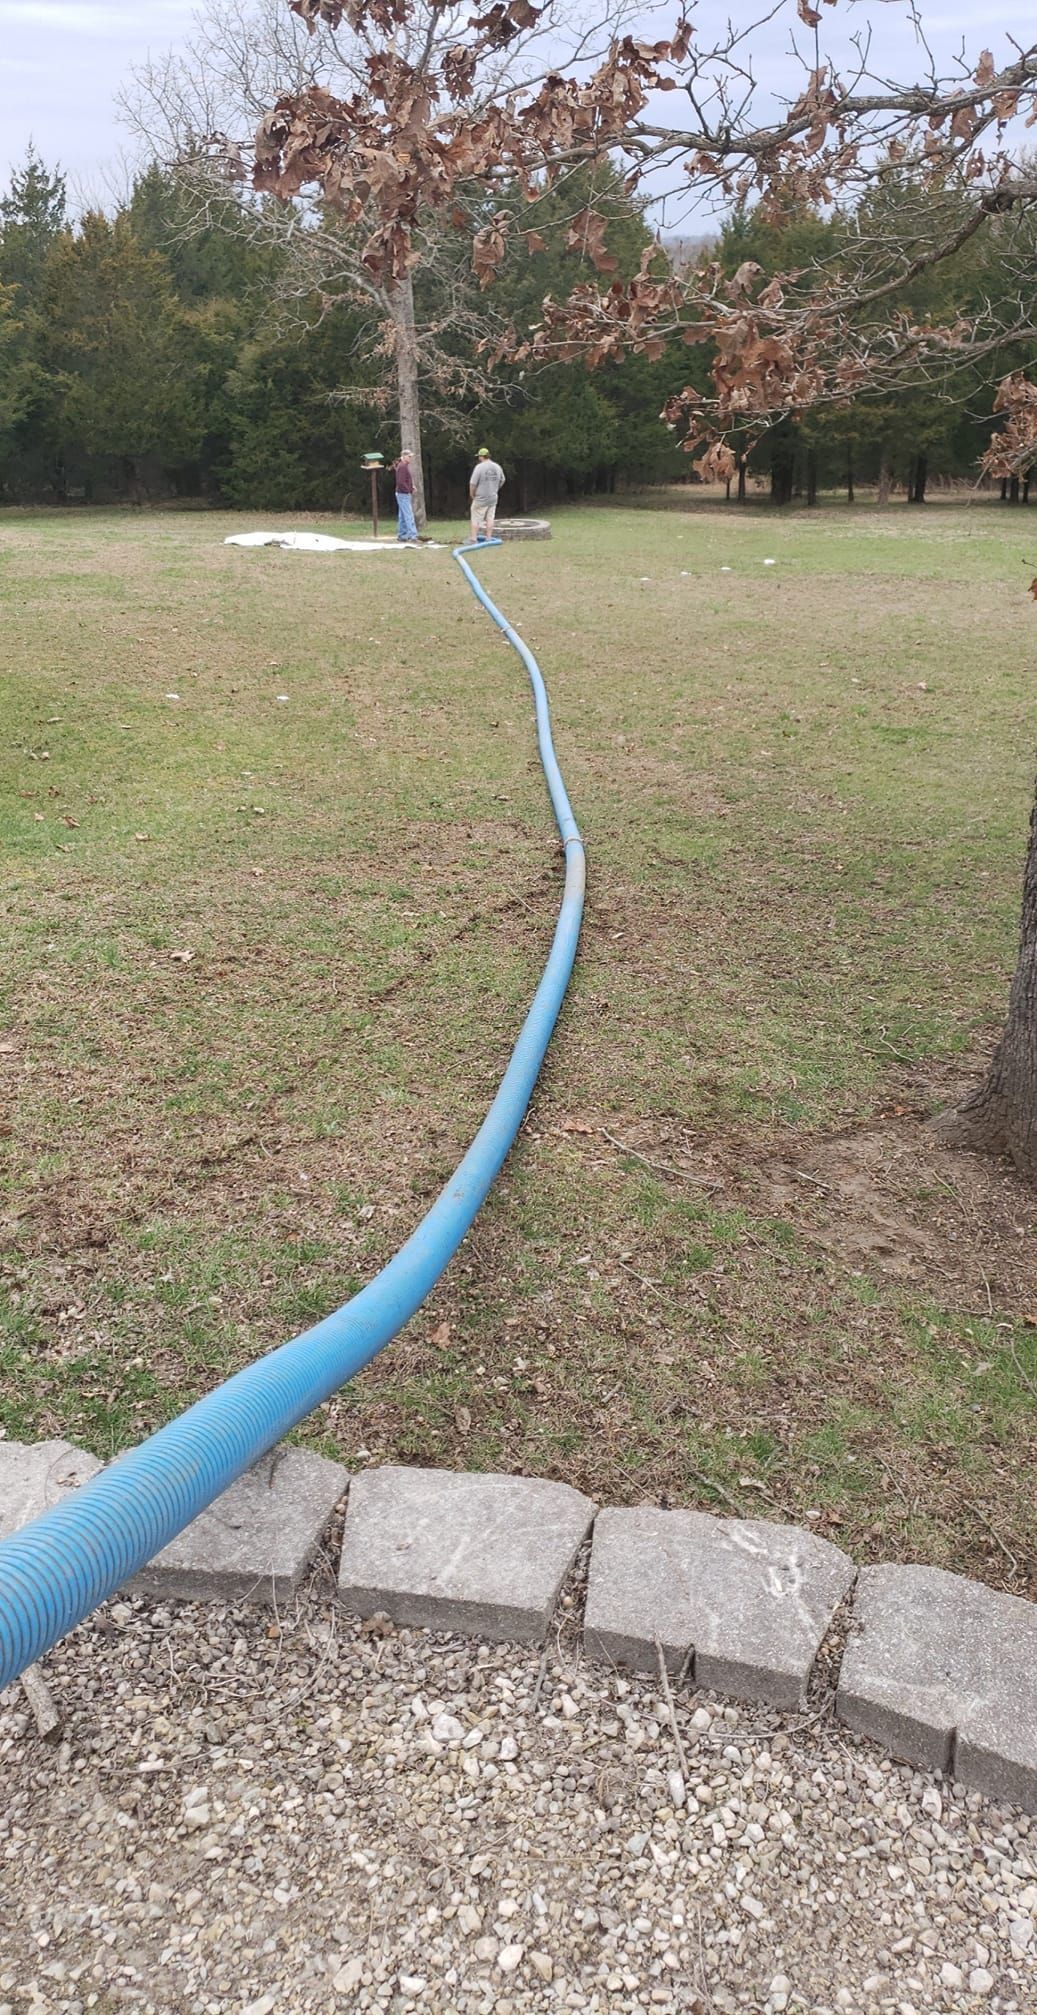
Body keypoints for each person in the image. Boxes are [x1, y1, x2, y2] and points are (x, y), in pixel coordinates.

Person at [469, 447, 505, 543]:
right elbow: (502, 480)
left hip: (481, 498)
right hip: (493, 498)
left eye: (479, 456)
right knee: (490, 518)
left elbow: (473, 483)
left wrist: (472, 494)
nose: (478, 458)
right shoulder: (497, 466)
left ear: (481, 456)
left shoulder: (479, 467)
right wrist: (495, 489)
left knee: (475, 518)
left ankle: (473, 538)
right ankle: (488, 538)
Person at [394, 449, 419, 543]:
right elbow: (400, 482)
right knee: (409, 515)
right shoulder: (402, 467)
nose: (410, 458)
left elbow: (404, 480)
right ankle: (413, 535)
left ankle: (402, 535)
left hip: (401, 493)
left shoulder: (403, 466)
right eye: (409, 456)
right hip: (403, 494)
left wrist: (411, 486)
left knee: (403, 516)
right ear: (404, 456)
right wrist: (408, 490)